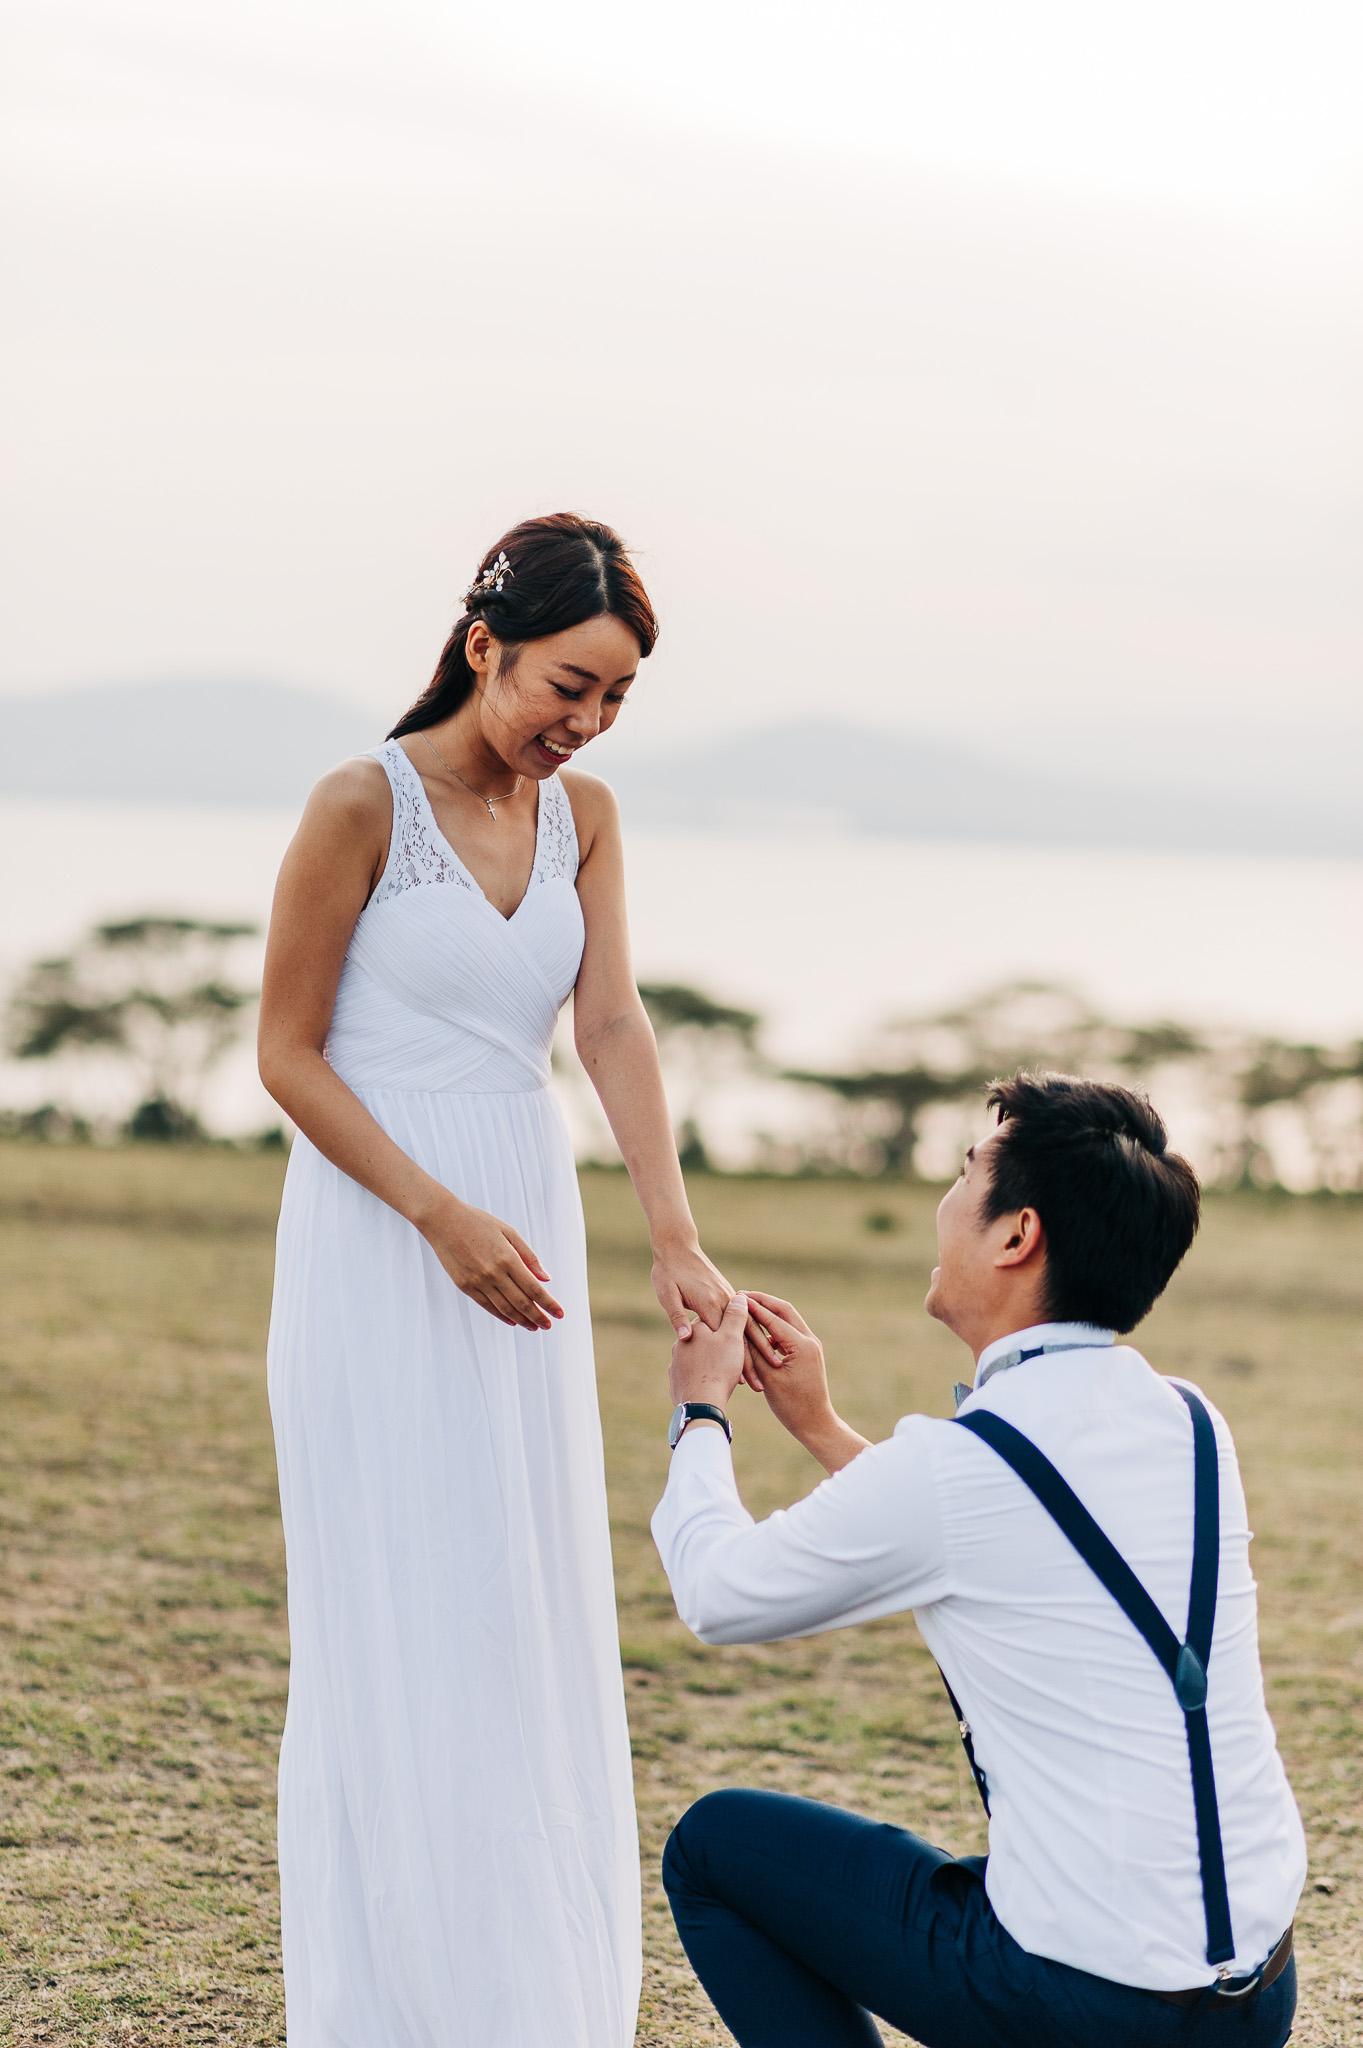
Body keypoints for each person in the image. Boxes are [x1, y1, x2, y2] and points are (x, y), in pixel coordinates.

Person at [258, 513, 732, 2048]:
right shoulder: (359, 803)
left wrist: (670, 1233)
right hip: (381, 1235)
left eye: (610, 702)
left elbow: (608, 1031)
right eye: (564, 687)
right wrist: (432, 1215)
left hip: (525, 1222)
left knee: (517, 1598)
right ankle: (394, 1999)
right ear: (484, 649)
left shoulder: (583, 817)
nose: (581, 725)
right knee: (406, 1601)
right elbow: (284, 1052)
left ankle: (522, 1997)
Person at [651, 1073, 1304, 2048]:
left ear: (1015, 1234)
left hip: (1093, 2006)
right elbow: (1009, 1528)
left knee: (714, 1845)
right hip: (1254, 1993)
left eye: (965, 1173)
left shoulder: (957, 1467)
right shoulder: (1189, 1421)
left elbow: (716, 1592)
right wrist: (822, 1425)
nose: (944, 1201)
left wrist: (700, 1412)